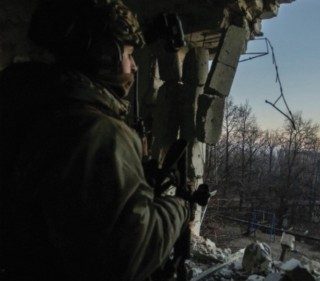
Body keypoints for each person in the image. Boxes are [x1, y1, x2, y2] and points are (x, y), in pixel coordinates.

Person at [0, 1, 202, 280]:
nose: (133, 66)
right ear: (104, 53)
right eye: (130, 54)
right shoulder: (96, 131)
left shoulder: (24, 105)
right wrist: (180, 208)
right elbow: (132, 253)